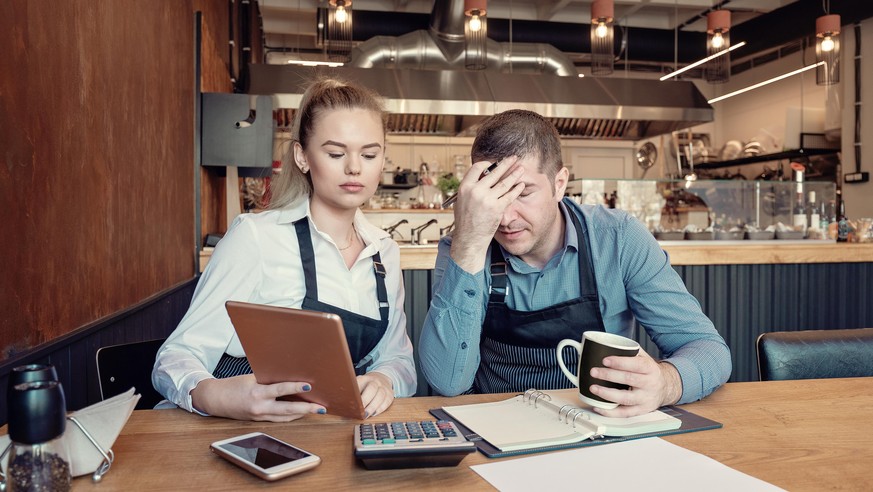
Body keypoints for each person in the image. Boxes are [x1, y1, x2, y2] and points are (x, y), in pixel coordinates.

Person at [419, 109, 731, 418]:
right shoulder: (463, 247)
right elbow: (447, 381)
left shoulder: (618, 238)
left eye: (523, 192)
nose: (505, 217)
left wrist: (666, 383)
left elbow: (706, 347)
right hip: (496, 428)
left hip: (598, 427)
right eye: (493, 196)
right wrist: (469, 245)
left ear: (559, 183)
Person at [153, 77, 416, 422]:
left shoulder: (384, 252)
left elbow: (398, 361)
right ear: (302, 157)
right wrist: (216, 396)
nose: (354, 167)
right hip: (243, 432)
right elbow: (175, 356)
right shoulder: (256, 238)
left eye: (369, 154)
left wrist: (384, 379)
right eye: (335, 153)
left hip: (334, 431)